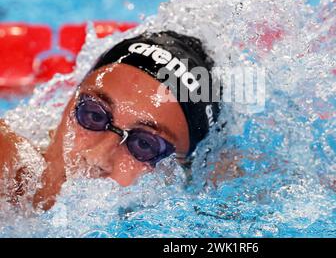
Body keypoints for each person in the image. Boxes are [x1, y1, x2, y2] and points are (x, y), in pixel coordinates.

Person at [0, 31, 221, 210]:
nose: (97, 159)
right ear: (67, 105)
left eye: (144, 144)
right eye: (94, 115)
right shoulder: (8, 169)